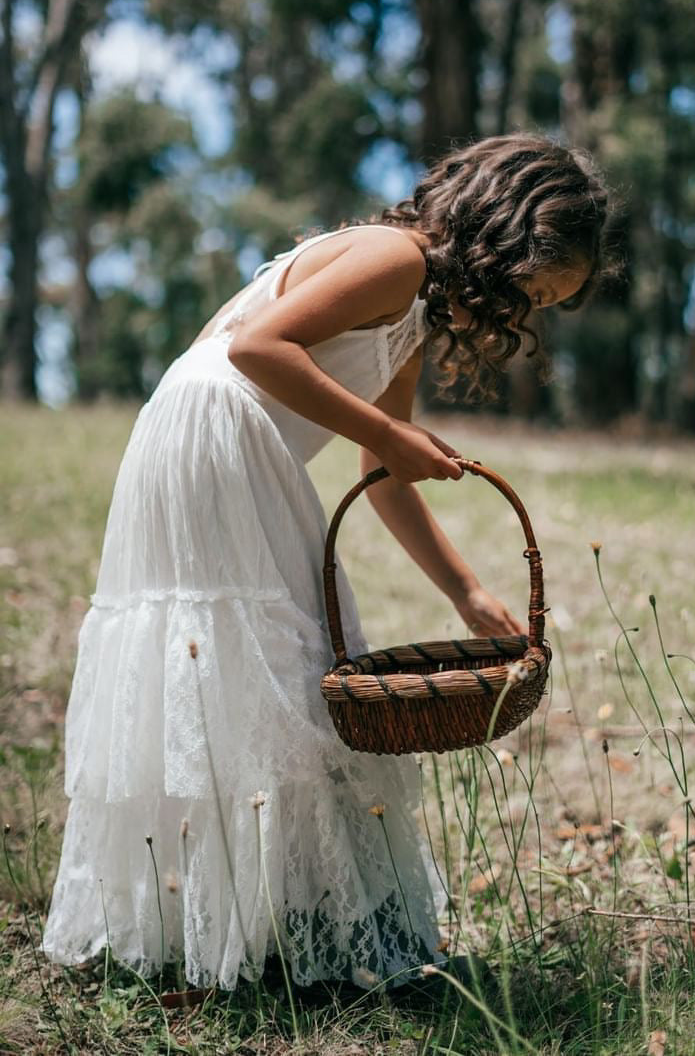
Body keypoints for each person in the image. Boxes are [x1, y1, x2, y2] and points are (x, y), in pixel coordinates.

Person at [41, 131, 611, 995]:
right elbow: (256, 348)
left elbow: (379, 482)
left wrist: (466, 591)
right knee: (288, 667)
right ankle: (302, 937)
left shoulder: (413, 306)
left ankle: (265, 927)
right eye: (533, 289)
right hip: (216, 432)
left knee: (262, 671)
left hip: (212, 438)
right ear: (506, 235)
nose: (525, 312)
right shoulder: (393, 257)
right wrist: (387, 430)